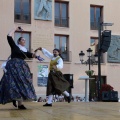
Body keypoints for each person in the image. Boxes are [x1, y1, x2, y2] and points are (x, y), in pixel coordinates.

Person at [0, 27, 37, 109]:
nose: (24, 41)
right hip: (13, 66)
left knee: (22, 83)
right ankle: (14, 98)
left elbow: (31, 55)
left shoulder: (25, 50)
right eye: (23, 40)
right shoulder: (15, 47)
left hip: (21, 68)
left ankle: (20, 104)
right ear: (19, 41)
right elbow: (9, 36)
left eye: (25, 40)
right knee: (10, 82)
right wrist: (15, 28)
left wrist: (35, 55)